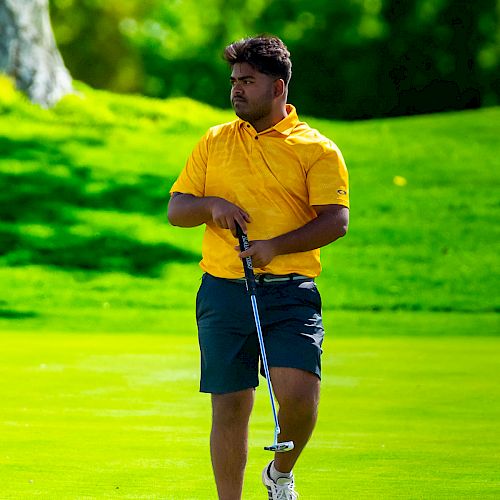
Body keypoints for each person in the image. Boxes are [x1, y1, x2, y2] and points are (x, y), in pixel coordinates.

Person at [168, 35, 349, 500]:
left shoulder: (318, 149)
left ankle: (280, 473)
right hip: (223, 291)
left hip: (290, 292)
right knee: (229, 406)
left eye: (248, 81)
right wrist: (210, 205)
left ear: (278, 87)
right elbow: (177, 210)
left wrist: (275, 247)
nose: (236, 90)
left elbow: (336, 221)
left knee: (299, 395)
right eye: (234, 81)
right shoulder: (213, 141)